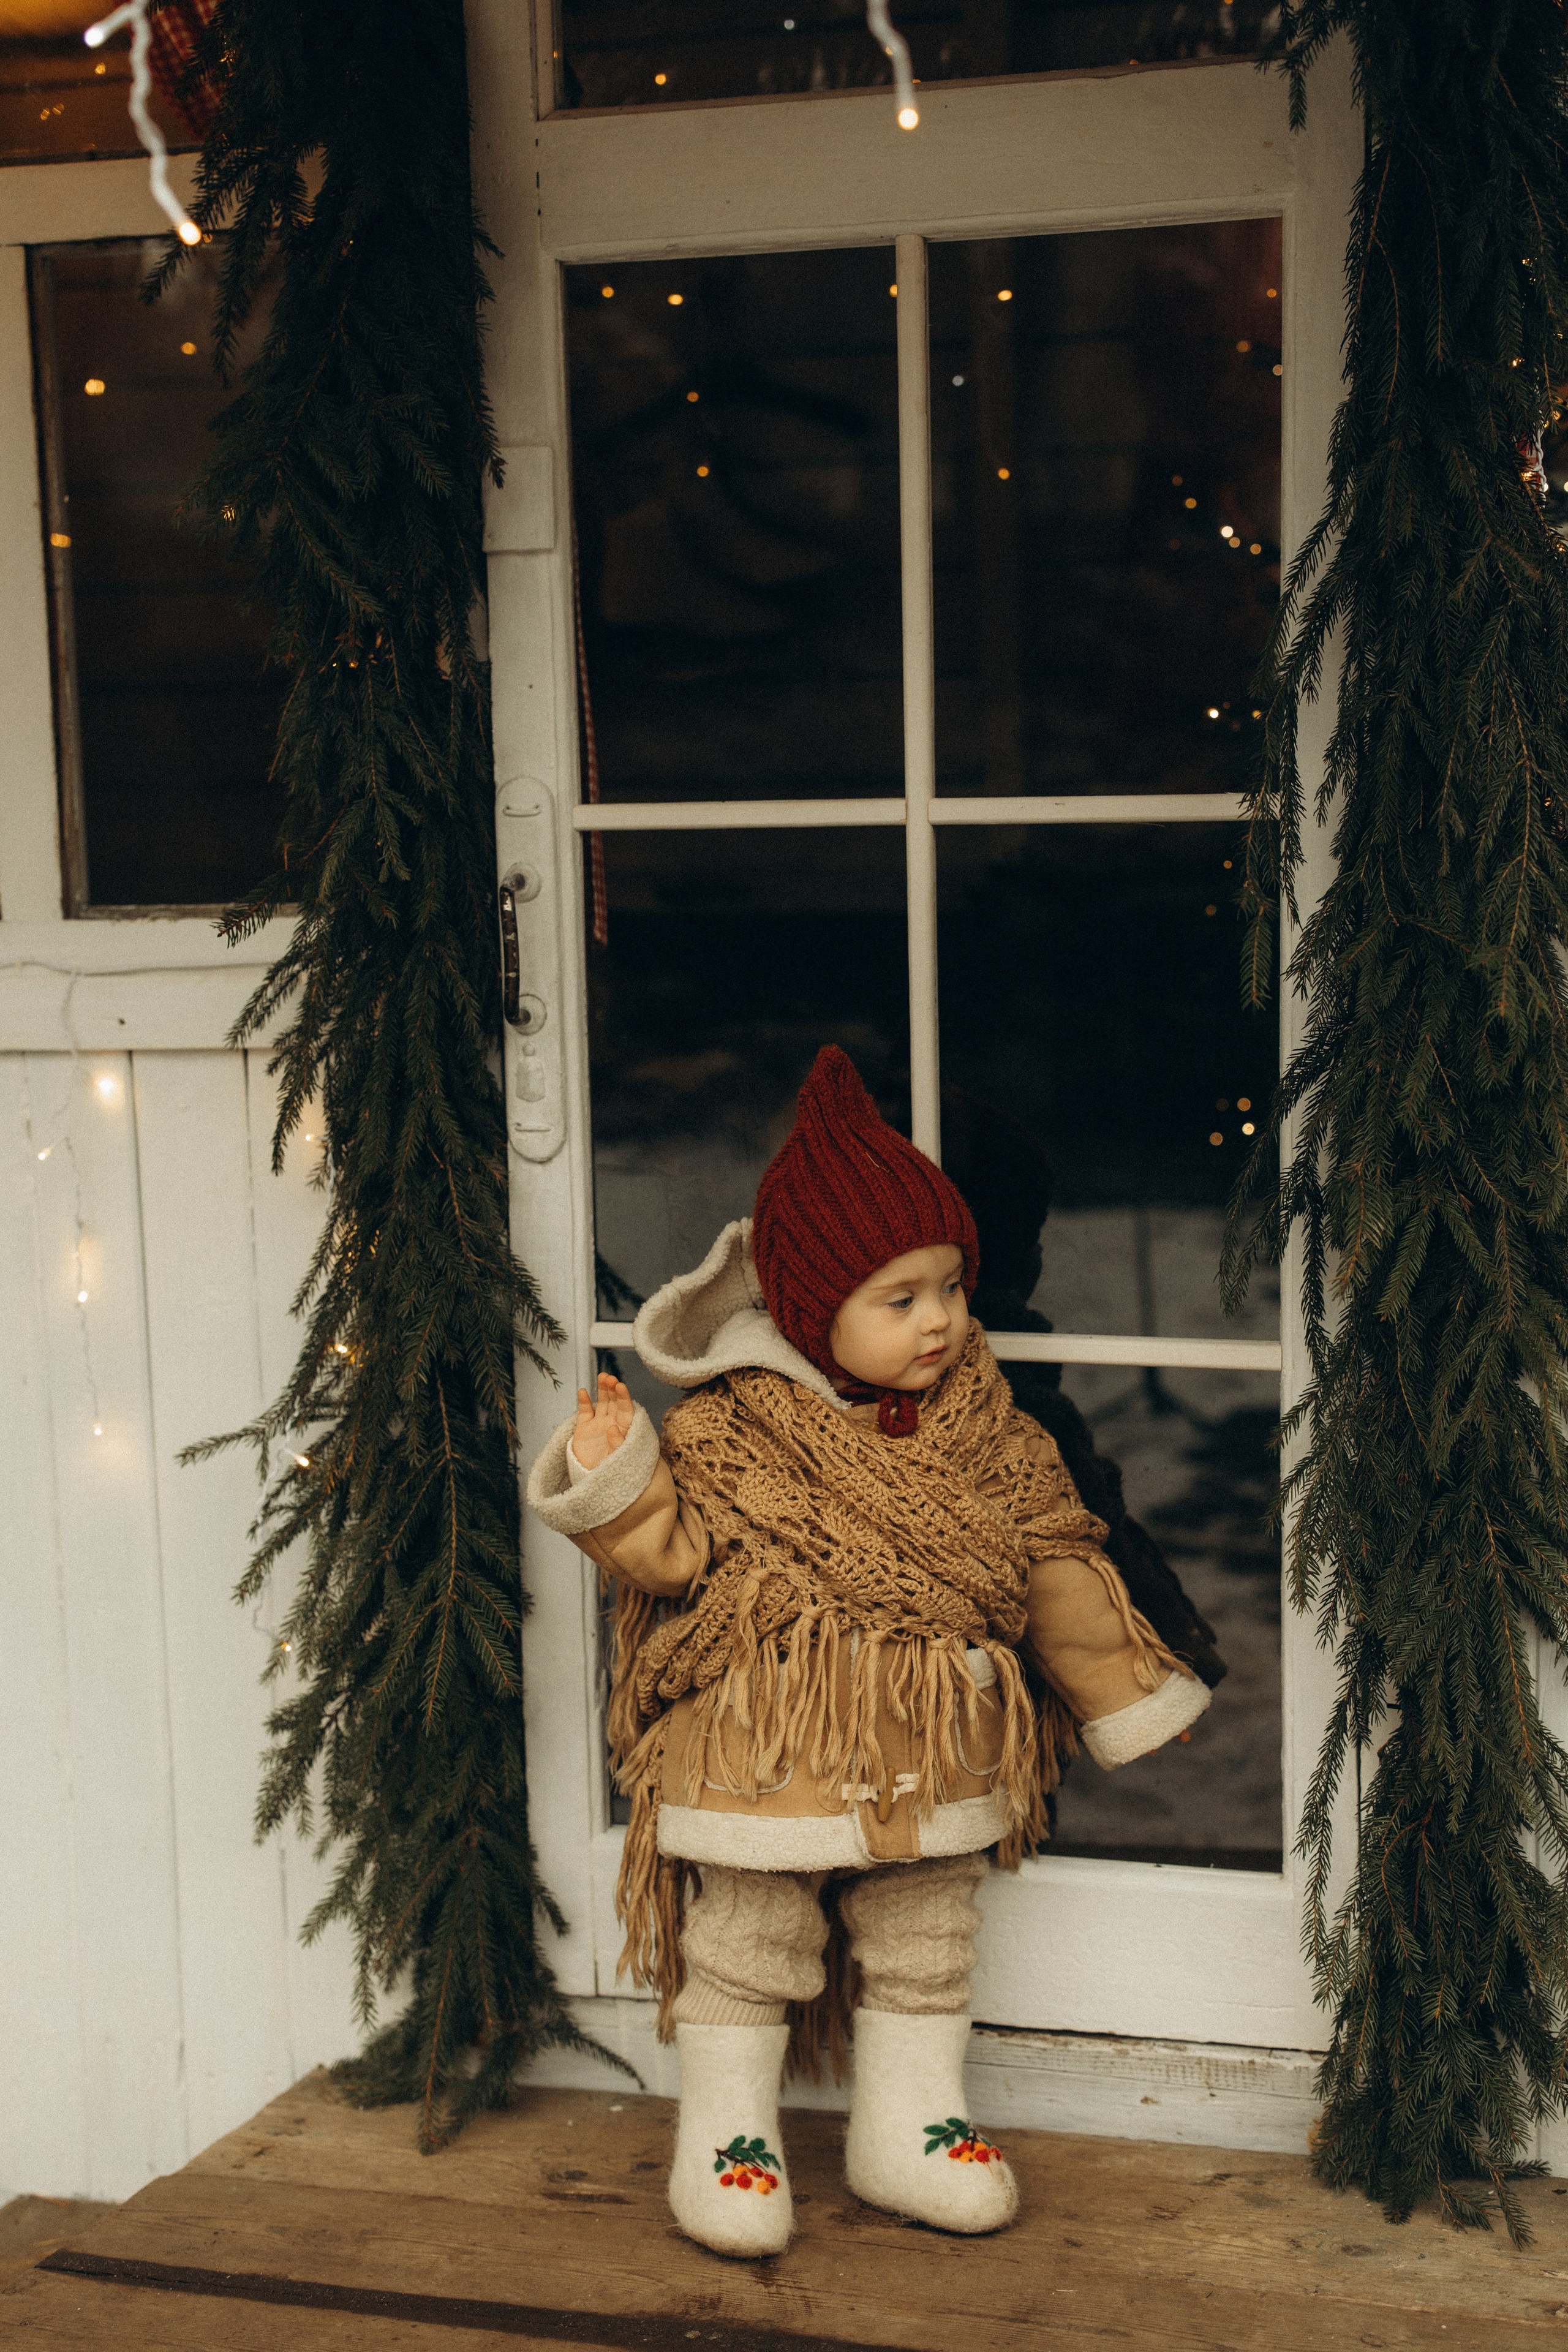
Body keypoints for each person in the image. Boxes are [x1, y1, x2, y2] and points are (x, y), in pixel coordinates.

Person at [527, 1046, 1211, 2258]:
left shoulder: (987, 1425)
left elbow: (1049, 1560)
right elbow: (669, 1557)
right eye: (900, 1298)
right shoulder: (736, 1427)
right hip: (766, 1743)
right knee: (745, 1938)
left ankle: (910, 2125)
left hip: (927, 1742)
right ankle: (728, 2145)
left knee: (926, 1930)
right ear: (808, 1308)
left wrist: (1131, 1694)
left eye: (948, 1287)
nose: (941, 1320)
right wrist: (613, 1474)